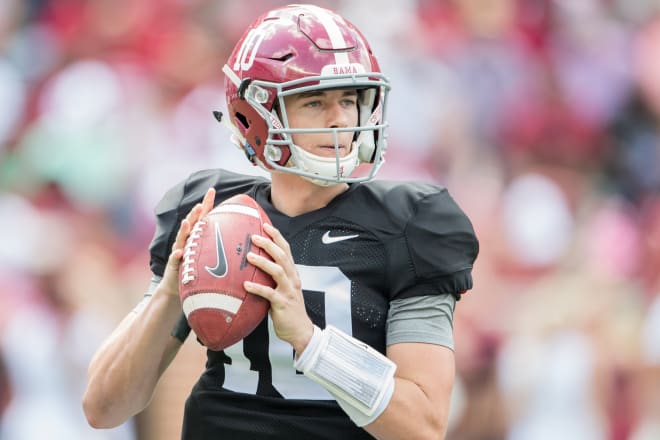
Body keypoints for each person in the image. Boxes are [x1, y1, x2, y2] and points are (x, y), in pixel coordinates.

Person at [82, 4, 479, 439]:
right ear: (254, 115)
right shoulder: (215, 213)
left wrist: (311, 342)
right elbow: (103, 407)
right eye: (315, 101)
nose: (341, 119)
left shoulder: (410, 225)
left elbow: (424, 427)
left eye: (349, 99)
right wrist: (167, 295)